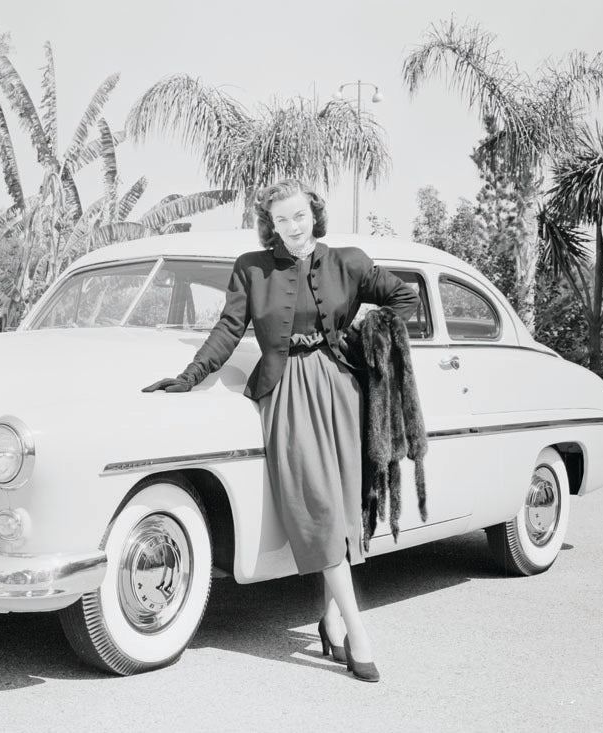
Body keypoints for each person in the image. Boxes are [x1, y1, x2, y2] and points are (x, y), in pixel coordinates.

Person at [142, 179, 418, 682]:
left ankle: (330, 619)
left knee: (346, 507)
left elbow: (404, 298)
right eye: (281, 219)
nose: (293, 227)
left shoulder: (349, 262)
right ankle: (358, 633)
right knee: (319, 508)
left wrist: (362, 339)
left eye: (300, 215)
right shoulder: (251, 268)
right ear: (270, 223)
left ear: (314, 213)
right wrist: (190, 377)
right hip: (286, 392)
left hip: (342, 389)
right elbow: (228, 330)